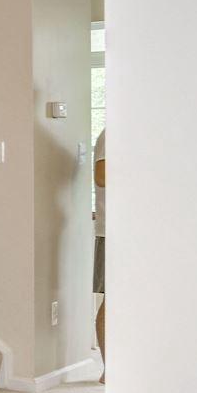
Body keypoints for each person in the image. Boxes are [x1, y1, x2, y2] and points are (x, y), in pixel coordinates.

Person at [93, 128, 105, 379]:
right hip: (114, 233)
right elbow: (102, 176)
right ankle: (110, 369)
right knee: (113, 301)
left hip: (141, 231)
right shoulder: (112, 134)